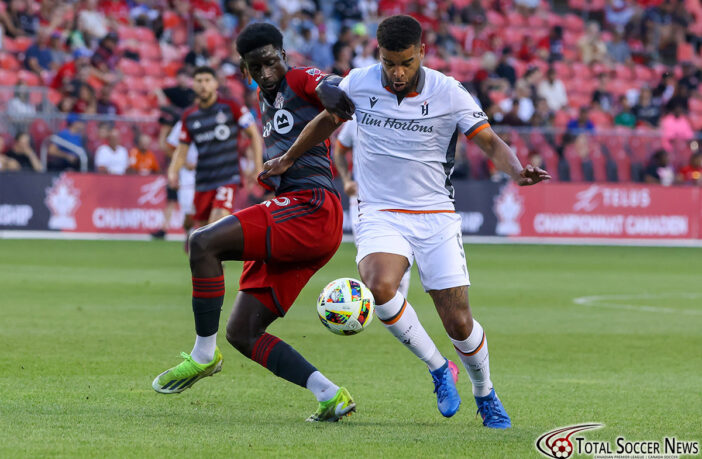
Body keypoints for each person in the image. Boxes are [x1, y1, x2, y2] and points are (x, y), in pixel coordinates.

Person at [262, 15, 550, 428]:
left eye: (406, 63)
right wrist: (288, 157)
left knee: (458, 320)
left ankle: (485, 392)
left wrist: (517, 169)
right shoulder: (358, 82)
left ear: (422, 53)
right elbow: (326, 120)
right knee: (380, 286)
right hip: (380, 210)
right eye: (389, 62)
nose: (397, 72)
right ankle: (438, 369)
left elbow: (488, 140)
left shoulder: (448, 92)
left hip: (435, 214)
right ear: (378, 54)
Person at [152, 24, 356, 423]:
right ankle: (330, 395)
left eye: (272, 62)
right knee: (243, 332)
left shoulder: (298, 78)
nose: (267, 72)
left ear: (284, 56)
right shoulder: (265, 99)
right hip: (301, 217)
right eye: (256, 66)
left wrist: (330, 90)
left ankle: (202, 356)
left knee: (202, 243)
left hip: (311, 207)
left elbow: (330, 91)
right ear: (245, 70)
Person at [166, 66, 263, 227]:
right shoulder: (189, 116)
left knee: (214, 227)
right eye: (199, 81)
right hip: (202, 181)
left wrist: (257, 167)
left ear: (215, 84)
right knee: (202, 232)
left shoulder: (232, 106)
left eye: (207, 80)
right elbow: (181, 151)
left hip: (227, 178)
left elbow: (254, 135)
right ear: (194, 85)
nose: (203, 85)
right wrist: (172, 172)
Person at [333, 118, 411, 297]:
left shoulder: (402, 119)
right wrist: (346, 181)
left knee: (402, 252)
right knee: (369, 253)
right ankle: (383, 302)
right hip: (363, 200)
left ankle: (396, 305)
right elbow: (339, 150)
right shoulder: (356, 120)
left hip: (398, 198)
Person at [151, 120, 199, 241]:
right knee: (188, 209)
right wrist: (183, 163)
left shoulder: (214, 119)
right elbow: (169, 147)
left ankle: (205, 240)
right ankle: (190, 237)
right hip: (186, 175)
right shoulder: (183, 123)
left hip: (208, 173)